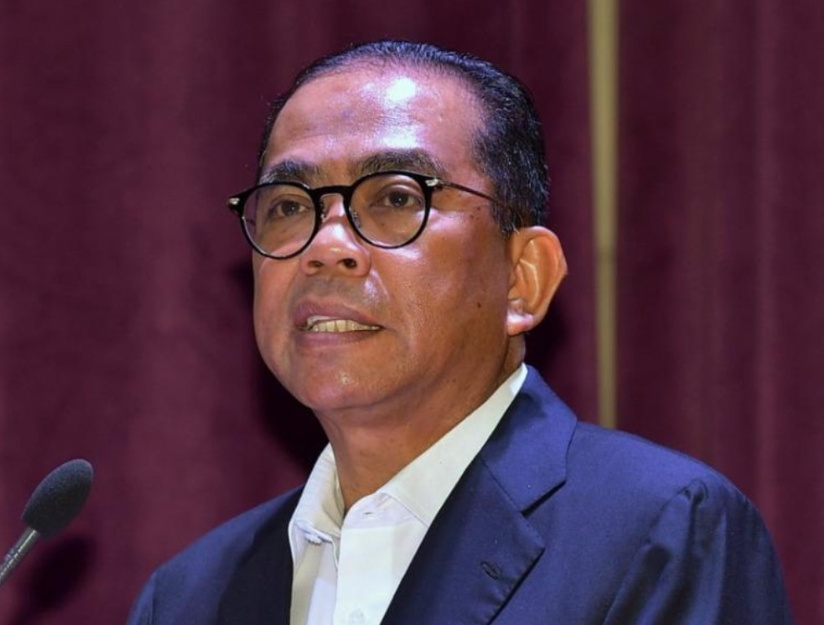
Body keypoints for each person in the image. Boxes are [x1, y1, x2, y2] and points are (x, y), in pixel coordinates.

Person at [126, 40, 791, 624]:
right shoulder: (187, 598)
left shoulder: (660, 532)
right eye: (289, 207)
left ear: (523, 278)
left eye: (396, 198)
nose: (326, 247)